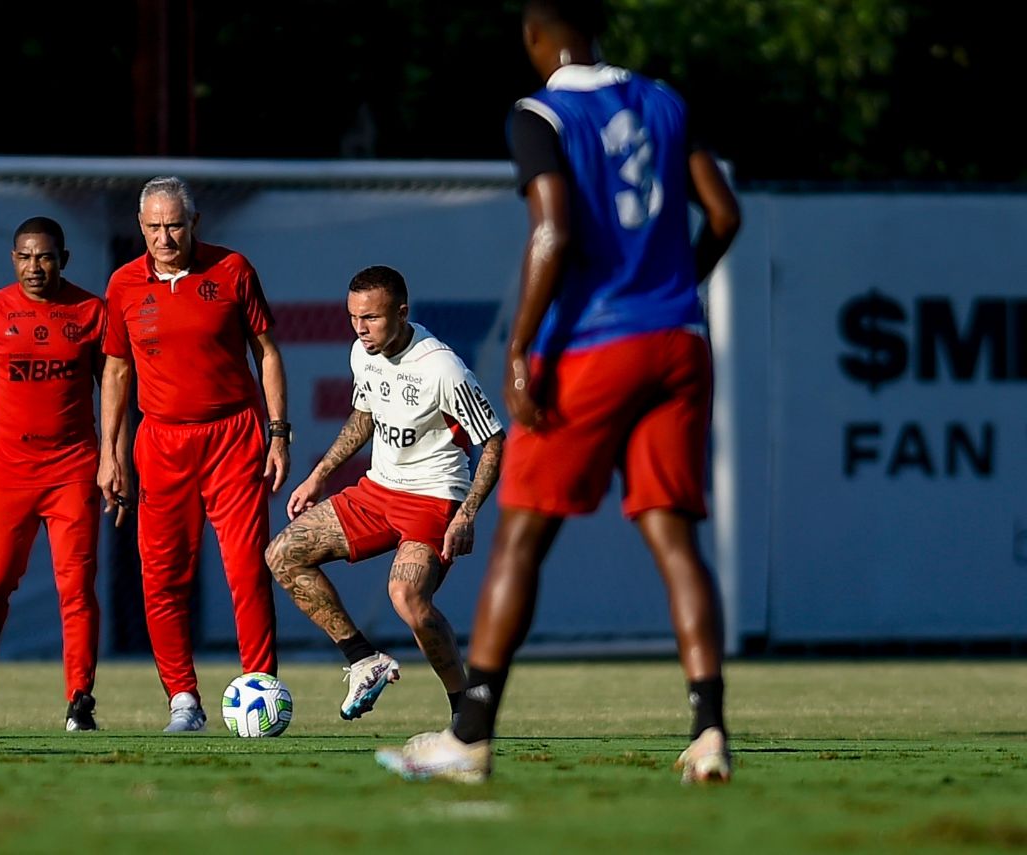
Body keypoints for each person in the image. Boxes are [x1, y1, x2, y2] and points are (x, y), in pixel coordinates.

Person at [377, 0, 742, 783]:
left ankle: (470, 734)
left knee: (521, 539)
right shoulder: (664, 101)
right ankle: (709, 730)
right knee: (675, 538)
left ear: (538, 37)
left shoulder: (539, 112)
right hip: (678, 342)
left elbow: (555, 229)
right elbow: (723, 213)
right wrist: (676, 288)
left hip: (592, 347)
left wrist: (517, 349)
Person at [266, 265, 504, 724]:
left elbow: (494, 441)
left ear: (402, 313)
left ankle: (466, 709)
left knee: (407, 598)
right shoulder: (363, 352)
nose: (361, 328)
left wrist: (467, 514)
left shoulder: (442, 369)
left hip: (434, 498)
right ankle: (363, 660)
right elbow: (364, 416)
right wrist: (320, 475)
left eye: (372, 318)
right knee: (283, 553)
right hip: (377, 492)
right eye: (354, 317)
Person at [96, 176, 290, 733]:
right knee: (161, 577)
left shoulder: (232, 270)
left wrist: (279, 433)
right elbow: (116, 369)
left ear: (195, 223)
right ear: (140, 227)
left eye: (174, 225)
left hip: (233, 436)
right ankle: (183, 698)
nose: (164, 237)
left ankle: (262, 691)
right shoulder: (124, 285)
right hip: (161, 442)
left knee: (248, 570)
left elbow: (267, 352)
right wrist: (111, 454)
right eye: (154, 227)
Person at [0, 217, 116, 732]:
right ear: (12, 257)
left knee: (77, 588)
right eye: (24, 256)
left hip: (72, 470)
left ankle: (80, 702)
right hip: (6, 472)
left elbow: (114, 390)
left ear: (63, 258)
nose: (34, 267)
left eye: (44, 257)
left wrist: (113, 458)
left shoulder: (90, 312)